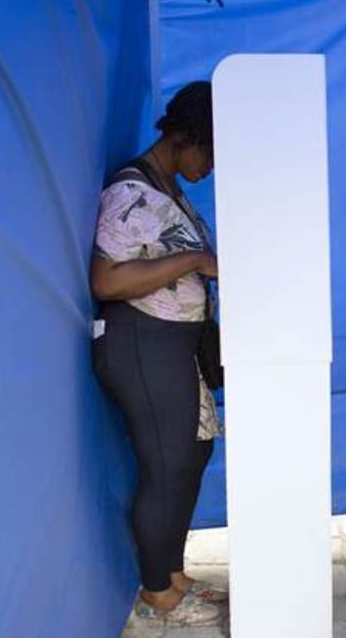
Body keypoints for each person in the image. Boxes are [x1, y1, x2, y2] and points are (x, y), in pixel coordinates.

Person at [90, 81, 225, 626]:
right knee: (166, 468)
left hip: (172, 344)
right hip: (140, 343)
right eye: (210, 153)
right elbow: (106, 279)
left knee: (192, 454)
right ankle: (156, 593)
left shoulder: (168, 187)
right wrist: (193, 260)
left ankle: (172, 572)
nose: (212, 167)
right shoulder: (131, 192)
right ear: (187, 137)